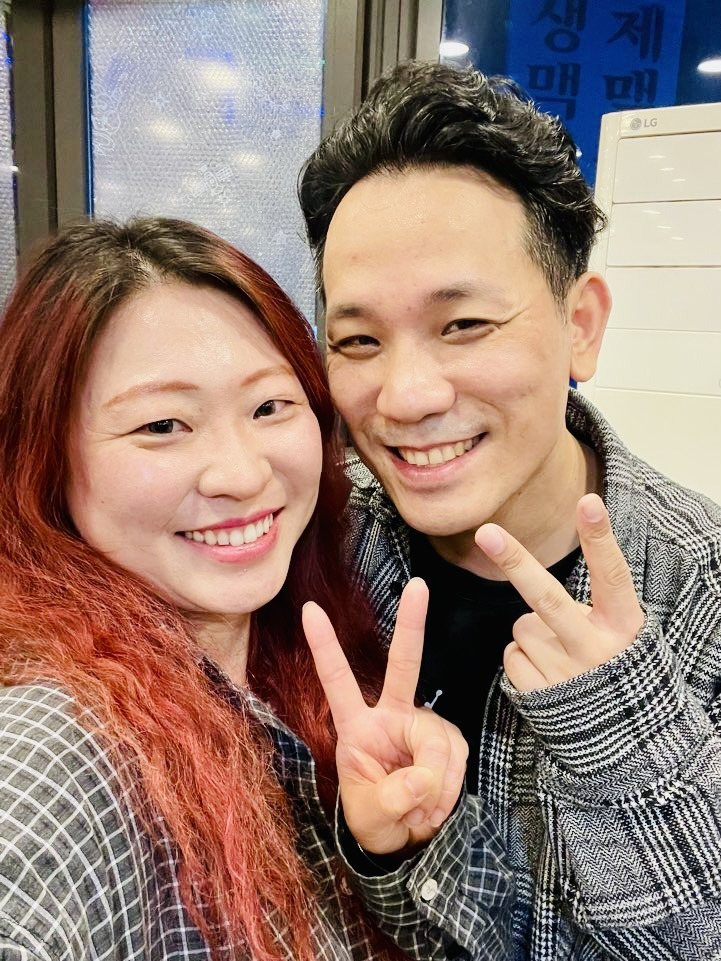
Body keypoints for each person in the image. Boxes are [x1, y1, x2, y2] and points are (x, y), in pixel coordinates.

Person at [0, 217, 514, 961]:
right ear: (44, 457)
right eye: (162, 425)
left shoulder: (295, 659)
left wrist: (391, 850)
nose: (241, 475)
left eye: (270, 407)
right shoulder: (52, 756)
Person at [298, 60, 721, 960]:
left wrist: (624, 738)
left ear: (580, 325)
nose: (404, 396)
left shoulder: (703, 588)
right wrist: (391, 845)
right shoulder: (318, 542)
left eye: (463, 325)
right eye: (358, 340)